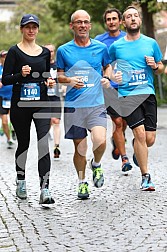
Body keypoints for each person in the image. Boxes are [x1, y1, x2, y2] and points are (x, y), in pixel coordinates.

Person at [56, 9, 117, 199]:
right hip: (74, 106)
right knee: (80, 148)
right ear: (72, 26)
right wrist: (69, 80)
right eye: (78, 22)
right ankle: (82, 182)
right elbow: (59, 75)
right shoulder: (63, 50)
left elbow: (107, 66)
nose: (82, 25)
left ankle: (96, 164)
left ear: (90, 25)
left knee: (100, 140)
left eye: (86, 22)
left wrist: (107, 77)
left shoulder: (100, 48)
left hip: (96, 103)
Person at [109, 6, 164, 190]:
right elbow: (107, 66)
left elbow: (162, 67)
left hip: (147, 93)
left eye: (135, 16)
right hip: (127, 95)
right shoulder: (116, 46)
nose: (133, 19)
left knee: (149, 139)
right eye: (129, 17)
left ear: (139, 20)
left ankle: (137, 149)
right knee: (139, 133)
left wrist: (155, 66)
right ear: (123, 23)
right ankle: (146, 177)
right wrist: (111, 76)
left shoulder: (151, 43)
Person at [2, 14, 55, 204]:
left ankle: (45, 189)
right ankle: (21, 180)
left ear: (38, 29)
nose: (31, 30)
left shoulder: (44, 52)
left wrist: (49, 81)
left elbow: (46, 75)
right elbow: (6, 79)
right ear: (21, 29)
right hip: (20, 106)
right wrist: (19, 74)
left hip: (41, 103)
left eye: (34, 27)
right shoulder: (14, 51)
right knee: (23, 143)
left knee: (43, 144)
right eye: (27, 27)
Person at [95, 8, 132, 174]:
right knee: (117, 121)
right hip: (109, 88)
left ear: (120, 21)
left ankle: (116, 140)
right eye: (108, 19)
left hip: (128, 87)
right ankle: (125, 158)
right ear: (106, 22)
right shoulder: (99, 41)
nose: (111, 22)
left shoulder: (128, 37)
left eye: (114, 19)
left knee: (124, 123)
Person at [44, 43, 62, 159]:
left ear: (54, 52)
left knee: (56, 120)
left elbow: (64, 77)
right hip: (44, 97)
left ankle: (56, 146)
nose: (49, 53)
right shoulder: (40, 65)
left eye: (51, 51)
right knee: (48, 121)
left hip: (55, 96)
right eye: (47, 51)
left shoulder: (58, 65)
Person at [0, 50, 15, 149]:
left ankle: (13, 130)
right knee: (4, 121)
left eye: (7, 56)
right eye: (3, 56)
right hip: (2, 97)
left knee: (15, 119)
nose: (5, 58)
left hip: (13, 96)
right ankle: (9, 138)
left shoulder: (14, 68)